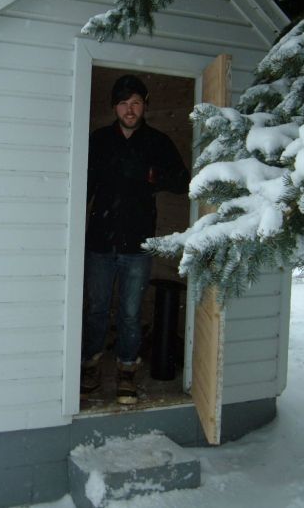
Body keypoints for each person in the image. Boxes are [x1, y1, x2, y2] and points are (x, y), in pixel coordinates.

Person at [81, 75, 189, 405]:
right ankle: (91, 363)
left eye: (137, 103)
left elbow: (183, 181)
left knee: (130, 312)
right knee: (97, 309)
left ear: (144, 106)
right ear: (115, 106)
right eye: (125, 103)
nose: (131, 109)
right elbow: (83, 187)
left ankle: (127, 368)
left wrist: (153, 175)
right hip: (100, 241)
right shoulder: (98, 141)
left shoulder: (156, 142)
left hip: (138, 244)